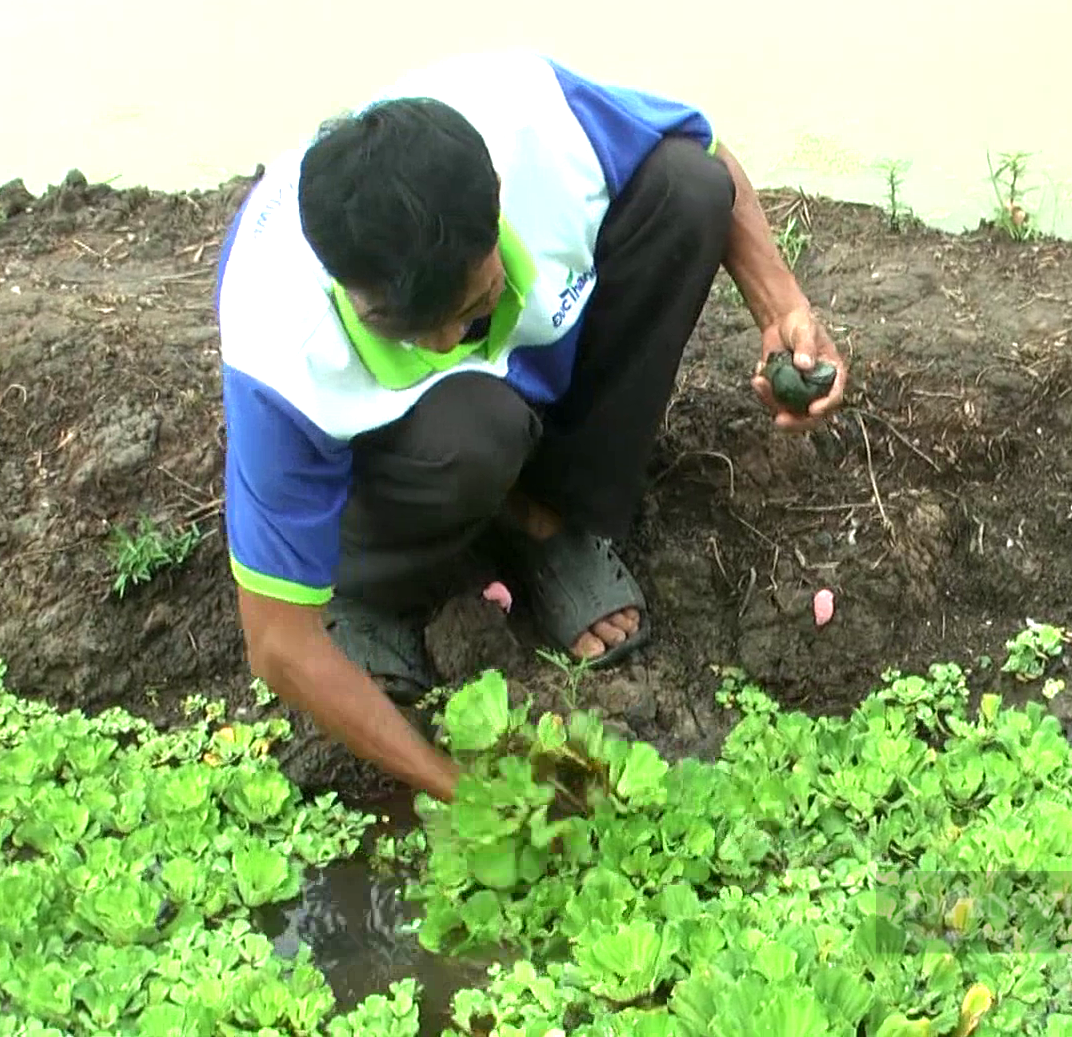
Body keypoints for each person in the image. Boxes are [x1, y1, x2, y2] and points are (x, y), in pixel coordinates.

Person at [214, 50, 847, 803]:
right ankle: (371, 586)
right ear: (350, 290)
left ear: (500, 204)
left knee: (684, 191)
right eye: (411, 330)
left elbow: (705, 151)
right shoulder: (279, 335)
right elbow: (279, 643)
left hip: (524, 386)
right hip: (407, 457)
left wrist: (781, 309)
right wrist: (458, 789)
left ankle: (553, 524)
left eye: (470, 305)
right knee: (474, 426)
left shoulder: (533, 120)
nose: (450, 345)